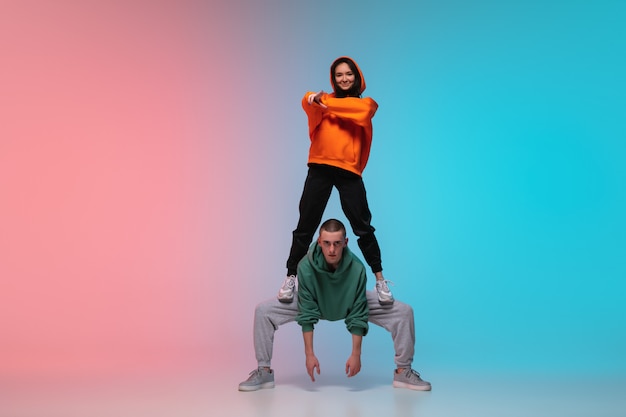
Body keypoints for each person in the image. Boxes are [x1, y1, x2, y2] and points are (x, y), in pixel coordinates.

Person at [240, 219, 431, 392]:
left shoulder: (357, 269)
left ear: (345, 243)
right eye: (327, 243)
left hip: (348, 301)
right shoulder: (305, 266)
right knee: (264, 311)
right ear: (320, 241)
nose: (332, 249)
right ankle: (263, 371)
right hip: (315, 300)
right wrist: (309, 354)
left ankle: (403, 371)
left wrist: (356, 354)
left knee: (404, 312)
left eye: (337, 243)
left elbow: (358, 312)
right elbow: (307, 310)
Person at [278, 56, 393, 305]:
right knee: (305, 225)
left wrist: (323, 104)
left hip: (348, 169)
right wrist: (313, 99)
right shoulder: (323, 100)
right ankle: (290, 277)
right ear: (333, 78)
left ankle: (381, 280)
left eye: (348, 74)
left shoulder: (365, 104)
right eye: (339, 75)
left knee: (363, 226)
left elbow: (361, 111)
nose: (344, 79)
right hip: (320, 166)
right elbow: (306, 99)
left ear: (357, 77)